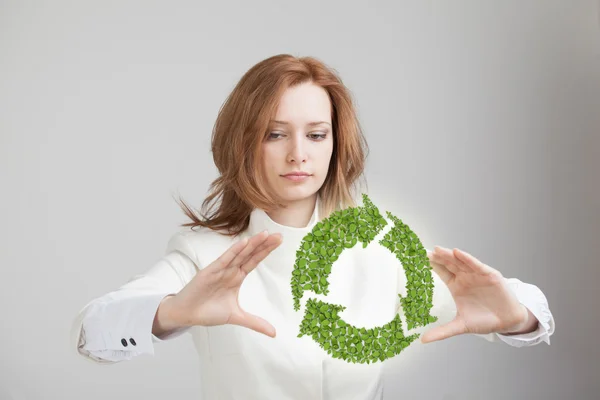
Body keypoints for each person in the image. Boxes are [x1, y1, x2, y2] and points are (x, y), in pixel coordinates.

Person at [71, 54, 555, 399]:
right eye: (275, 134)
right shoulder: (205, 253)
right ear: (243, 144)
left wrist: (516, 317)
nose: (298, 153)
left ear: (334, 143)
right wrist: (172, 312)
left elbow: (529, 308)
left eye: (316, 134)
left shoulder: (382, 247)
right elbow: (92, 331)